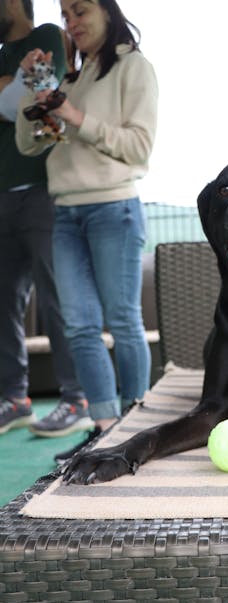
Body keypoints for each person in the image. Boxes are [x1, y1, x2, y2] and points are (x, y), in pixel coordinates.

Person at [16, 0, 158, 462]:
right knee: (79, 326)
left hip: (113, 209)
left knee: (122, 321)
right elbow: (26, 144)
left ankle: (133, 426)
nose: (71, 22)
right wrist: (31, 90)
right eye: (65, 15)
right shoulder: (68, 80)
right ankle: (102, 429)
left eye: (79, 10)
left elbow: (138, 147)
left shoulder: (133, 68)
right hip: (65, 213)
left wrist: (74, 117)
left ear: (106, 10)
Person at [0, 0, 92, 437]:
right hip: (1, 197)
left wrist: (12, 89)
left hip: (43, 192)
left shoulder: (46, 38)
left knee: (58, 299)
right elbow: (13, 97)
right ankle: (15, 399)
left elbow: (24, 101)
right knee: (4, 302)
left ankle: (77, 398)